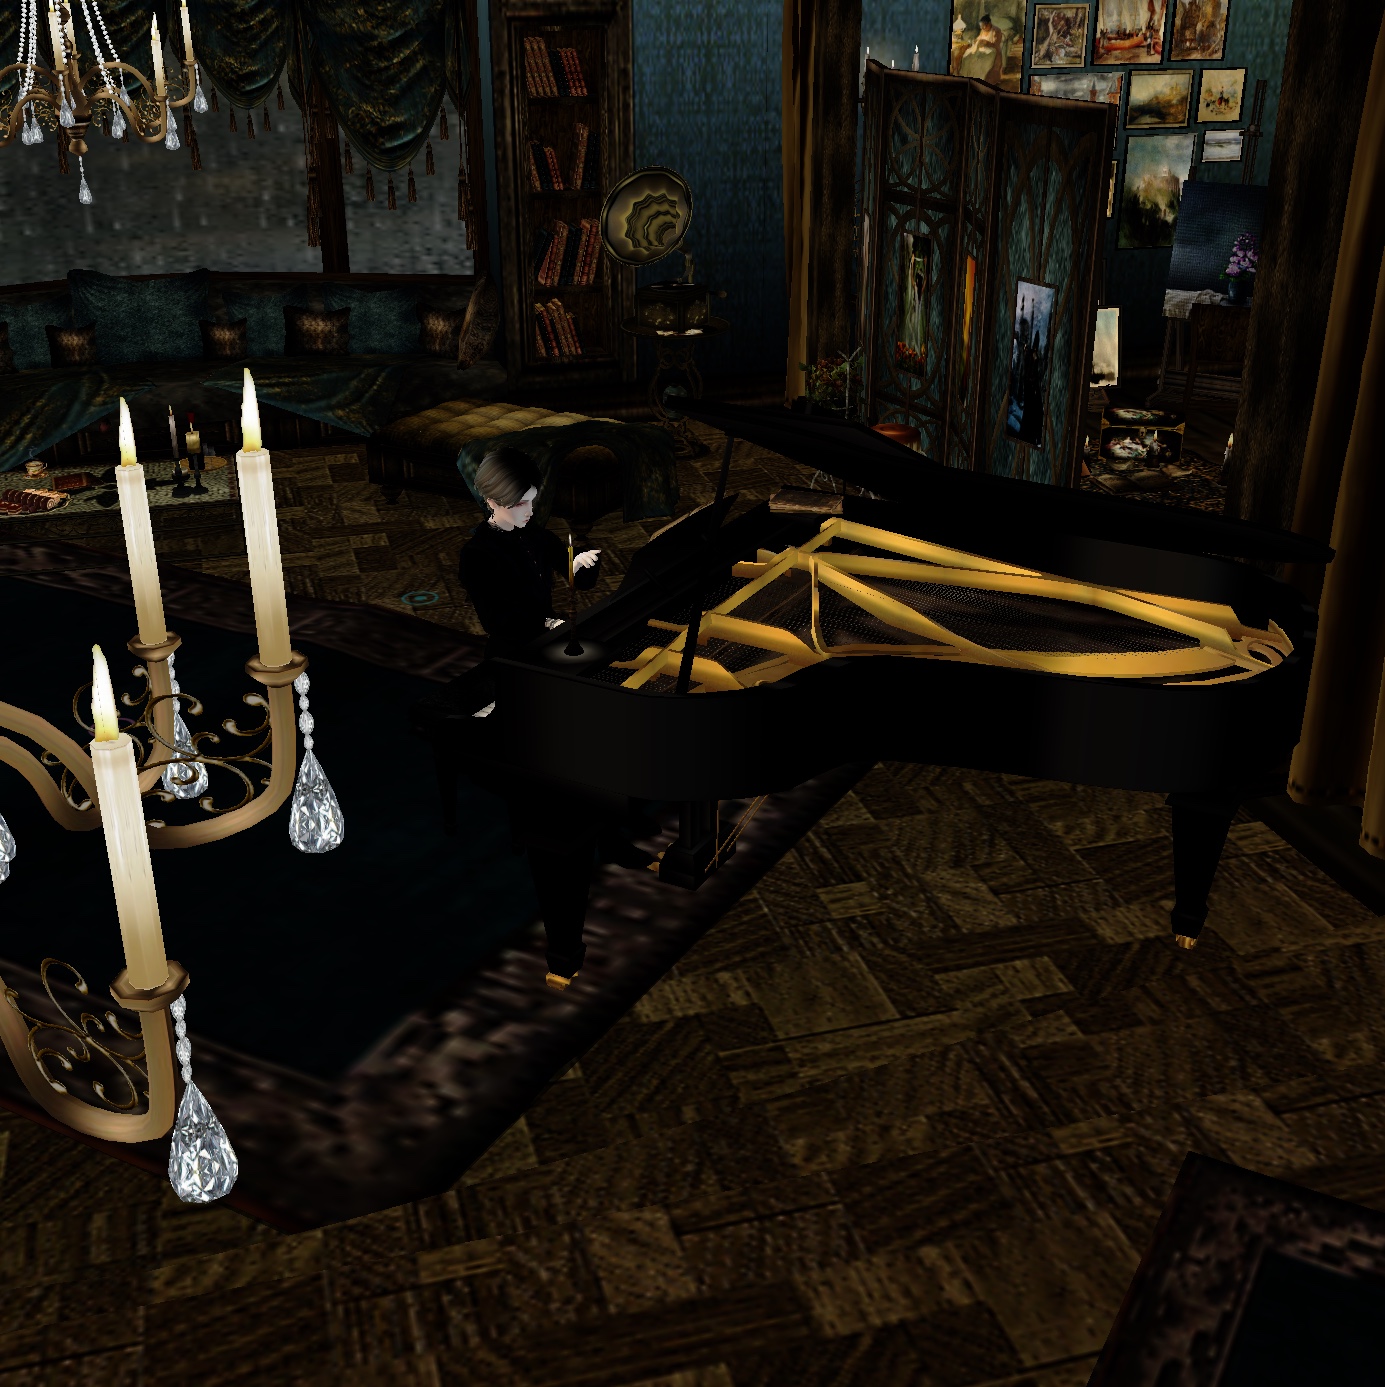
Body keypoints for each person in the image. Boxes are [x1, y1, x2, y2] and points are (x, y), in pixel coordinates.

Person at [451, 446, 653, 990]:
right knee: (552, 757)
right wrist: (547, 621)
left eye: (534, 502)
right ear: (493, 501)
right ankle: (569, 845)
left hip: (553, 649)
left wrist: (580, 566)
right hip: (515, 663)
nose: (531, 511)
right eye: (521, 504)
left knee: (604, 726)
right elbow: (502, 621)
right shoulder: (478, 555)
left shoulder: (535, 534)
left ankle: (610, 829)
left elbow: (569, 582)